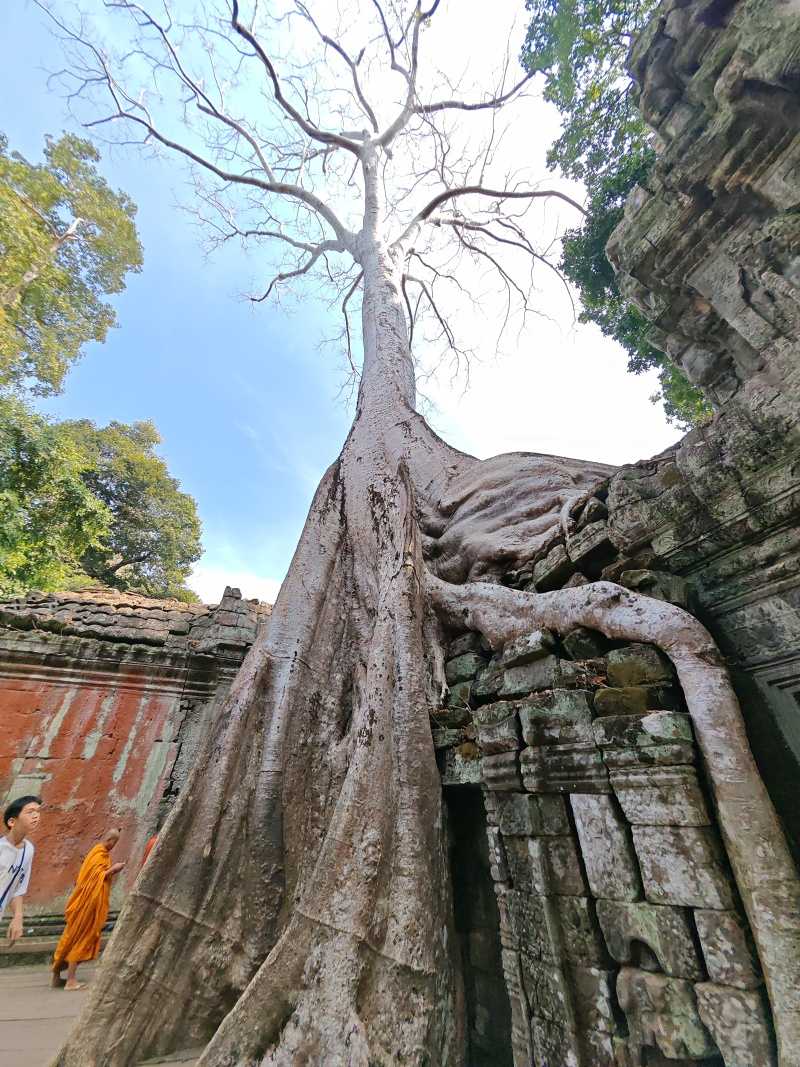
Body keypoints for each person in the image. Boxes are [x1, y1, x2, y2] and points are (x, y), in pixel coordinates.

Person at [52, 828, 125, 990]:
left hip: (86, 903)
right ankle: (71, 981)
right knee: (80, 939)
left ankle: (56, 978)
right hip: (86, 905)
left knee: (70, 938)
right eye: (115, 842)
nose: (114, 846)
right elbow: (95, 878)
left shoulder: (99, 853)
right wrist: (114, 869)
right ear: (110, 840)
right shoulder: (98, 855)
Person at [1, 796, 42, 943]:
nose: (36, 815)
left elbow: (18, 887)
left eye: (38, 811)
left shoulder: (28, 850)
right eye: (30, 812)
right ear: (12, 822)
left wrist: (18, 917)